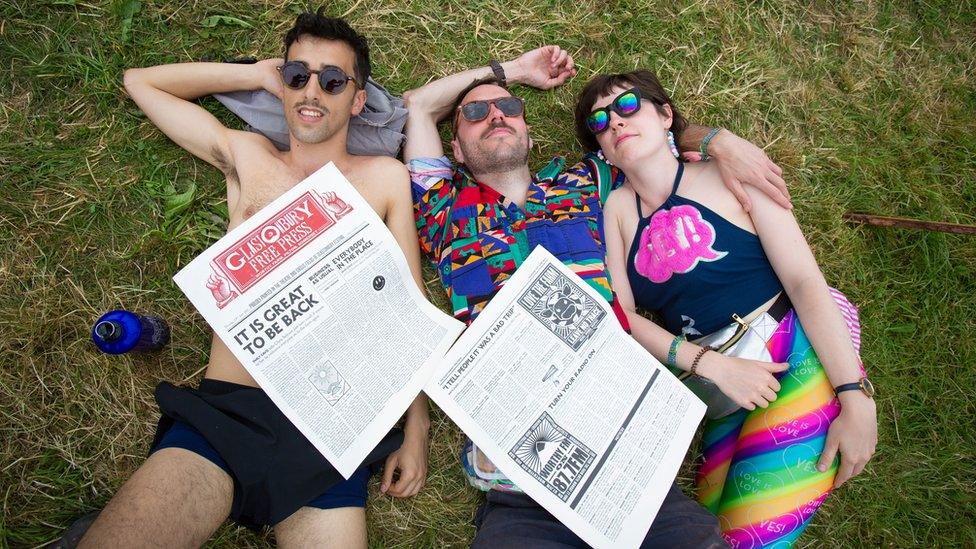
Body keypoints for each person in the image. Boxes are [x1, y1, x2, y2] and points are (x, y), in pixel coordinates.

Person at [402, 46, 791, 547]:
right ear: (455, 149)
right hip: (520, 485)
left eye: (509, 108)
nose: (496, 113)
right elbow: (417, 105)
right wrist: (514, 73)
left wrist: (717, 140)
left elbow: (647, 141)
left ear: (529, 132)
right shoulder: (442, 211)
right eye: (474, 113)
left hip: (626, 463)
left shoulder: (587, 182)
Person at [80, 11, 430, 548]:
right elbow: (141, 83)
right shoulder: (247, 155)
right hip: (228, 413)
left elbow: (410, 305)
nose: (312, 90)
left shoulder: (385, 179)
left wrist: (417, 428)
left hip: (330, 426)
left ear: (357, 99)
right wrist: (254, 75)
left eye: (332, 80)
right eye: (297, 76)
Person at [573, 70, 878, 548]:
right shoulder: (615, 210)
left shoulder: (728, 174)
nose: (613, 120)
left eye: (627, 105)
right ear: (601, 149)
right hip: (718, 380)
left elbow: (804, 280)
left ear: (666, 115)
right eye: (598, 121)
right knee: (707, 527)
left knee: (749, 539)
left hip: (793, 347)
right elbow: (623, 318)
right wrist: (711, 364)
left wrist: (854, 395)